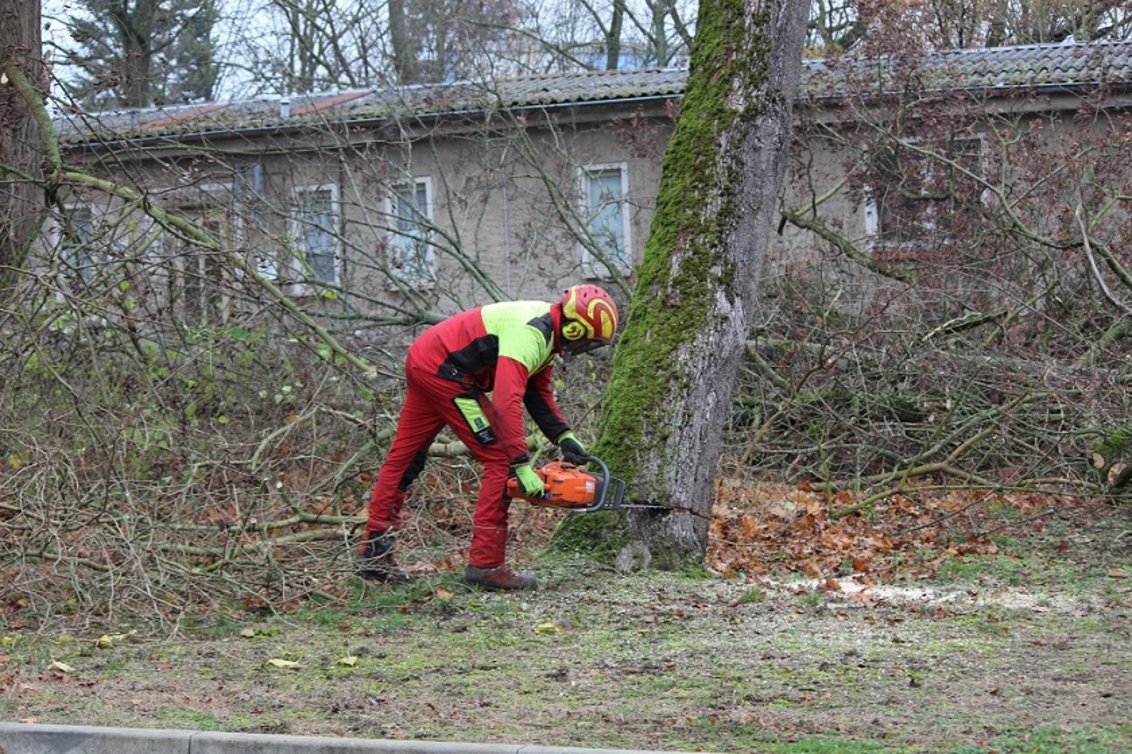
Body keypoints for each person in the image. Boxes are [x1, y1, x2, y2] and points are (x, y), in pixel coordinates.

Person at [357, 284, 619, 591]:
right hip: (446, 371)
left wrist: (564, 436)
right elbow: (507, 399)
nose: (585, 346)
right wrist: (520, 462)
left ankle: (374, 554)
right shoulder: (532, 334)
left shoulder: (548, 333)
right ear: (575, 329)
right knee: (501, 459)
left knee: (405, 459)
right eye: (588, 340)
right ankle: (487, 565)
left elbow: (538, 394)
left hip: (426, 359)